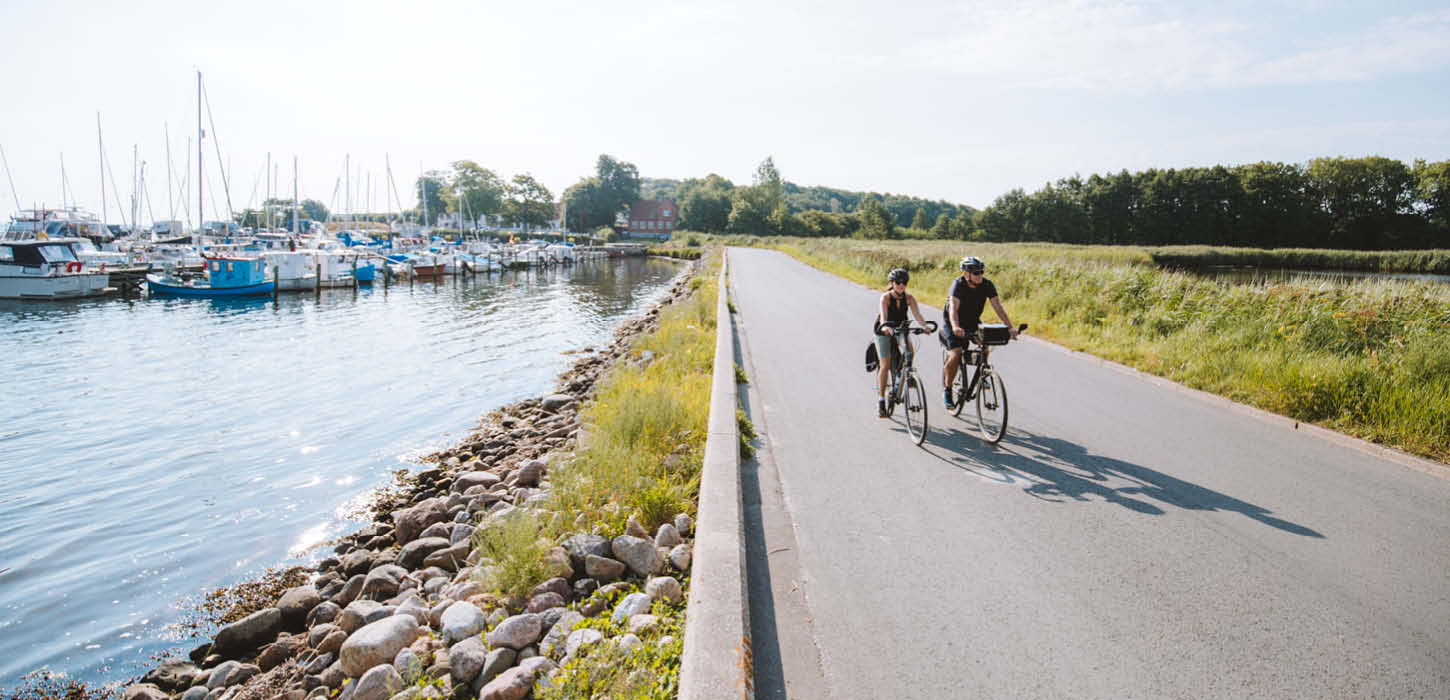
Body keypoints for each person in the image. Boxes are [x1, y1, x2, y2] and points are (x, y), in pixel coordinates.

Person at [941, 256, 1018, 407]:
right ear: (966, 274)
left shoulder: (987, 284)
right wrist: (956, 327)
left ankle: (983, 374)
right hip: (953, 322)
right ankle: (948, 390)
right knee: (956, 354)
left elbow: (998, 307)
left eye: (981, 272)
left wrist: (1010, 327)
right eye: (976, 273)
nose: (980, 275)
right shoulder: (958, 285)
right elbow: (953, 310)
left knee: (985, 346)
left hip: (972, 321)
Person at [874, 268, 932, 417]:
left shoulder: (909, 298)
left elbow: (917, 315)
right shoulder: (885, 298)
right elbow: (883, 318)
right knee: (885, 365)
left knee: (909, 351)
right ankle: (881, 401)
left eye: (904, 283)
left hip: (900, 329)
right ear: (892, 283)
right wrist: (885, 326)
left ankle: (903, 375)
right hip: (883, 330)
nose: (901, 285)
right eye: (898, 282)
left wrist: (924, 326)